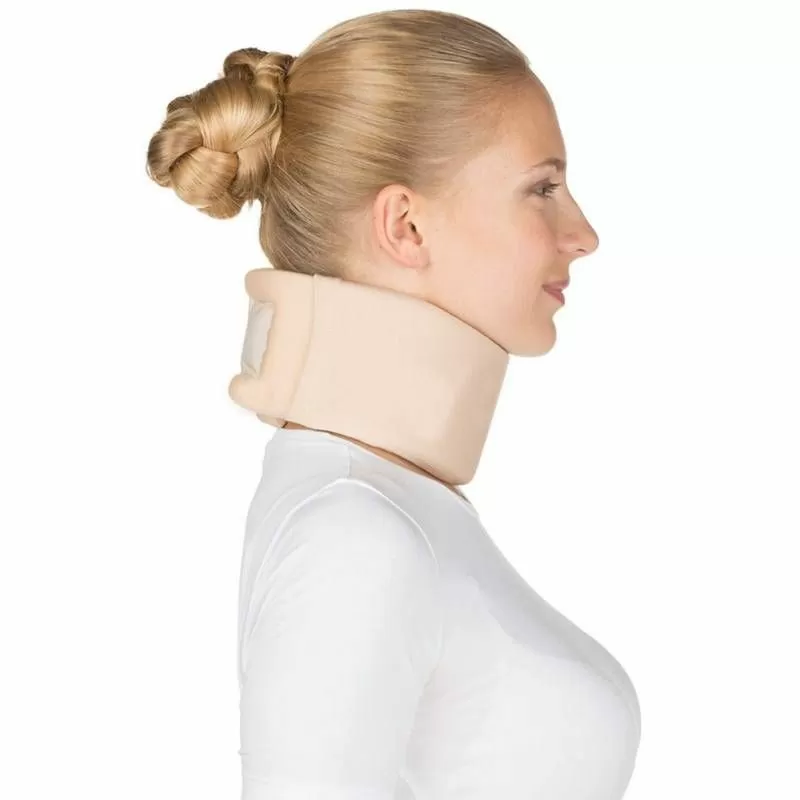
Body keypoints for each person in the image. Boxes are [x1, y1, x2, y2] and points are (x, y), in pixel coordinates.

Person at [145, 9, 641, 800]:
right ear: (406, 226)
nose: (583, 234)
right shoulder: (354, 530)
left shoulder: (386, 509)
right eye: (542, 188)